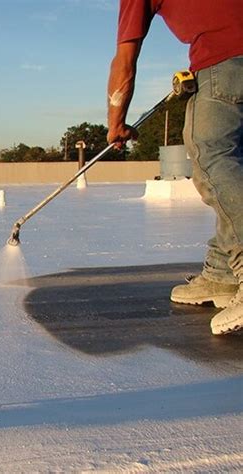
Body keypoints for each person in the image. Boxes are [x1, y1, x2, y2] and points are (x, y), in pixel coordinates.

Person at [106, 0, 243, 335]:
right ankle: (223, 274)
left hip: (226, 58)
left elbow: (126, 60)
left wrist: (116, 123)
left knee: (211, 154)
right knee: (234, 159)